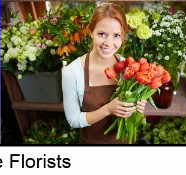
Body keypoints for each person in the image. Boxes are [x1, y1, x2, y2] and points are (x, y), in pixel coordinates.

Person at [62, 3, 147, 144]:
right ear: (91, 32)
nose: (108, 43)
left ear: (123, 36)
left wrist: (137, 106)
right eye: (102, 34)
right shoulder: (72, 72)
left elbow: (133, 113)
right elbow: (73, 120)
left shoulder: (129, 66)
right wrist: (108, 109)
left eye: (116, 35)